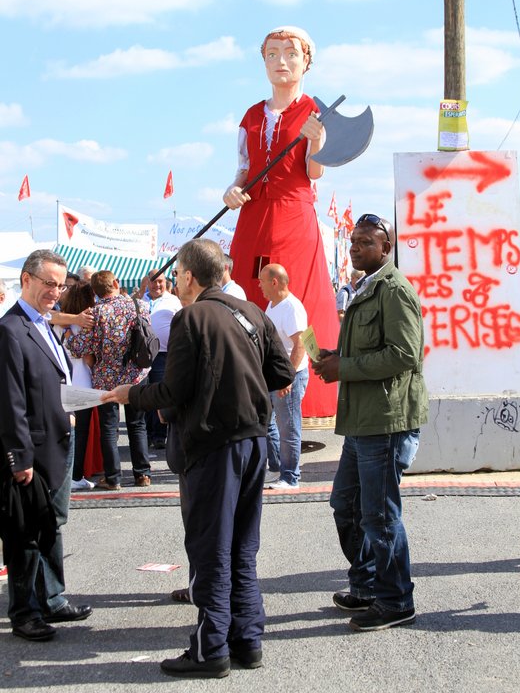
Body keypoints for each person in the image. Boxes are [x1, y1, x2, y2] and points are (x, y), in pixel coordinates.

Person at [101, 239, 294, 679]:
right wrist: (240, 383)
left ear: (188, 276)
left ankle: (211, 650)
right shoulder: (251, 312)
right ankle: (247, 639)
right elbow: (280, 372)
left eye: (179, 274)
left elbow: (173, 392)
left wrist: (131, 393)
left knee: (210, 548)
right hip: (253, 442)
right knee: (242, 546)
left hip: (214, 446)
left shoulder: (193, 317)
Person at [312, 214, 428, 632]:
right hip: (362, 422)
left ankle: (396, 601)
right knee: (345, 506)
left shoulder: (394, 290)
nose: (355, 247)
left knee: (379, 515)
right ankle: (365, 585)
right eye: (353, 241)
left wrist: (346, 367)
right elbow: (363, 350)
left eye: (365, 242)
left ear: (385, 247)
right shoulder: (365, 287)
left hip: (386, 421)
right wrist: (331, 357)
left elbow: (405, 355)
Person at [223, 25, 339, 418]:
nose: (281, 62)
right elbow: (243, 169)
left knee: (301, 301)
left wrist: (318, 143)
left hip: (294, 215)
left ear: (306, 61)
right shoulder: (252, 115)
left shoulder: (314, 112)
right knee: (247, 296)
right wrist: (232, 191)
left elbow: (314, 172)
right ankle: (243, 387)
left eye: (290, 53)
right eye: (272, 54)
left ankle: (310, 390)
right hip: (254, 217)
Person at [0, 249, 92, 641]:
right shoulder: (10, 329)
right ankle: (24, 612)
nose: (55, 292)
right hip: (31, 453)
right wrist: (18, 458)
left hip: (58, 442)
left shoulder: (43, 323)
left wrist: (67, 408)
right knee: (25, 535)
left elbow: (51, 381)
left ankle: (52, 599)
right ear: (26, 280)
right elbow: (10, 401)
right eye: (48, 284)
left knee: (51, 526)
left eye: (60, 284)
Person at [66, 270, 152, 490]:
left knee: (109, 428)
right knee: (137, 424)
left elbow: (80, 348)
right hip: (136, 374)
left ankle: (113, 477)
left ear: (95, 291)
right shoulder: (139, 306)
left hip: (106, 377)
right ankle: (142, 474)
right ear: (116, 282)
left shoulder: (97, 312)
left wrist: (68, 337)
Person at [259, 263, 308, 489]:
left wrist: (287, 377)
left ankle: (290, 477)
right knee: (274, 424)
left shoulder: (291, 307)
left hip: (290, 377)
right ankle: (280, 469)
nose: (259, 285)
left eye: (262, 281)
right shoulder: (273, 304)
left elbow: (301, 342)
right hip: (276, 377)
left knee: (288, 427)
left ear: (274, 282)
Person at [60, 282, 97, 491]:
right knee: (80, 434)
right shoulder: (86, 325)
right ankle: (75, 476)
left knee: (64, 433)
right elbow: (89, 359)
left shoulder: (59, 322)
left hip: (63, 383)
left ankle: (66, 476)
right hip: (83, 382)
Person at [145, 268, 181, 449]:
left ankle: (159, 436)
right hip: (143, 356)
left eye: (160, 281)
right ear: (147, 282)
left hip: (164, 354)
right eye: (153, 281)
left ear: (165, 282)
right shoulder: (139, 301)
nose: (156, 285)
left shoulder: (174, 301)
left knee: (159, 394)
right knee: (144, 395)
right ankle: (147, 434)